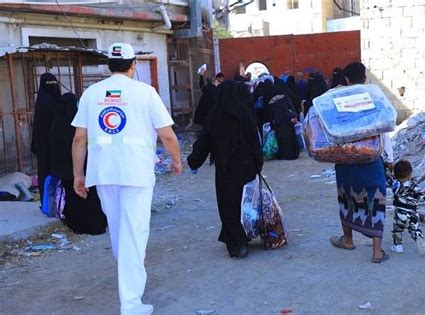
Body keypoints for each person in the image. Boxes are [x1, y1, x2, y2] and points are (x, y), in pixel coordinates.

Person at [71, 42, 182, 315]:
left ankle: (130, 284)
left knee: (121, 233)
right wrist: (177, 159)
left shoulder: (91, 93)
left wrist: (78, 174)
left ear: (110, 65)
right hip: (136, 173)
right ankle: (131, 304)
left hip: (104, 173)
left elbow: (79, 138)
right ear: (133, 65)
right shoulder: (146, 92)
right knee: (133, 235)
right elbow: (167, 134)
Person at [187, 80, 263, 258]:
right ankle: (244, 235)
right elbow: (255, 140)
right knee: (246, 203)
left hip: (225, 169)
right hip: (248, 168)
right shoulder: (245, 113)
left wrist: (193, 162)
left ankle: (236, 244)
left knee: (228, 205)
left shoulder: (215, 115)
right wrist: (258, 163)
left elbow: (204, 142)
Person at [329, 62, 389, 263]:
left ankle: (347, 240)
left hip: (346, 159)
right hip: (371, 158)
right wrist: (389, 158)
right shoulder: (374, 97)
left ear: (346, 79)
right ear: (365, 78)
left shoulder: (337, 99)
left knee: (346, 196)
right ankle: (377, 251)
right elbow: (384, 129)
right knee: (376, 198)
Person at [50, 92, 107, 235]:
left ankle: (76, 225)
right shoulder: (80, 124)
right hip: (82, 166)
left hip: (65, 169)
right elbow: (81, 141)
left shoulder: (56, 124)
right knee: (90, 196)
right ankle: (96, 225)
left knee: (72, 197)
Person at [391, 160, 425, 255]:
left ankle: (398, 246)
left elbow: (387, 178)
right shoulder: (413, 186)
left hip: (400, 213)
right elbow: (421, 197)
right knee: (414, 228)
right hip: (413, 213)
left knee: (397, 229)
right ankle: (418, 237)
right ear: (410, 174)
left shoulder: (394, 183)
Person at [31, 72, 61, 202]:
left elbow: (37, 128)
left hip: (43, 146)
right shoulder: (58, 102)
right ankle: (58, 201)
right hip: (57, 144)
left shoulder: (41, 102)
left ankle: (47, 202)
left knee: (45, 173)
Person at [268, 79, 299, 160]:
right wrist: (295, 116)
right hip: (287, 121)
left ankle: (282, 154)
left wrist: (272, 123)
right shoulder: (285, 97)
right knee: (289, 138)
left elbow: (270, 113)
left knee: (281, 139)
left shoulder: (272, 100)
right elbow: (290, 108)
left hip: (278, 122)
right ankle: (291, 154)